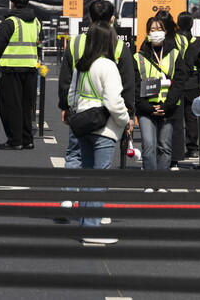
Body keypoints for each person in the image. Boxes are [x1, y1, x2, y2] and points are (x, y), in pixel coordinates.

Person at [55, 0, 134, 222]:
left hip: (80, 113)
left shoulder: (76, 44)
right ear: (112, 19)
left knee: (75, 156)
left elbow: (66, 79)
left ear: (89, 18)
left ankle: (70, 199)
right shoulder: (118, 46)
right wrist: (128, 115)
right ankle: (93, 219)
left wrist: (66, 107)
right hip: (105, 119)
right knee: (100, 172)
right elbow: (127, 84)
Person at [68, 21, 129, 244]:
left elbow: (72, 96)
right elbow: (113, 100)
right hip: (103, 128)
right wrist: (124, 120)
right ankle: (92, 229)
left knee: (86, 175)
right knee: (99, 179)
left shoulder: (81, 64)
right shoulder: (108, 65)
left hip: (83, 124)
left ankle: (85, 224)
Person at [0, 0, 43, 150]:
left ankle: (15, 140)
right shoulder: (36, 22)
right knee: (26, 106)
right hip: (30, 69)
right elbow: (39, 43)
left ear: (12, 3)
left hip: (11, 69)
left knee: (10, 106)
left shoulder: (10, 22)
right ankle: (27, 139)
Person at [134, 17, 185, 172]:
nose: (156, 32)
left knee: (164, 146)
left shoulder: (175, 54)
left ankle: (162, 181)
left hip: (168, 108)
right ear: (147, 32)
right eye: (153, 29)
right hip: (146, 108)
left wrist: (167, 105)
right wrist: (148, 107)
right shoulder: (138, 57)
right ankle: (149, 180)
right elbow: (135, 86)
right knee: (148, 145)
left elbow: (179, 82)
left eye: (159, 29)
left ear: (165, 31)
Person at [173, 12, 200, 162]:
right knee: (191, 117)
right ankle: (192, 148)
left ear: (178, 24)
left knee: (176, 117)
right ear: (192, 25)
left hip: (175, 84)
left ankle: (175, 149)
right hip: (192, 84)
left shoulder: (174, 41)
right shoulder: (196, 43)